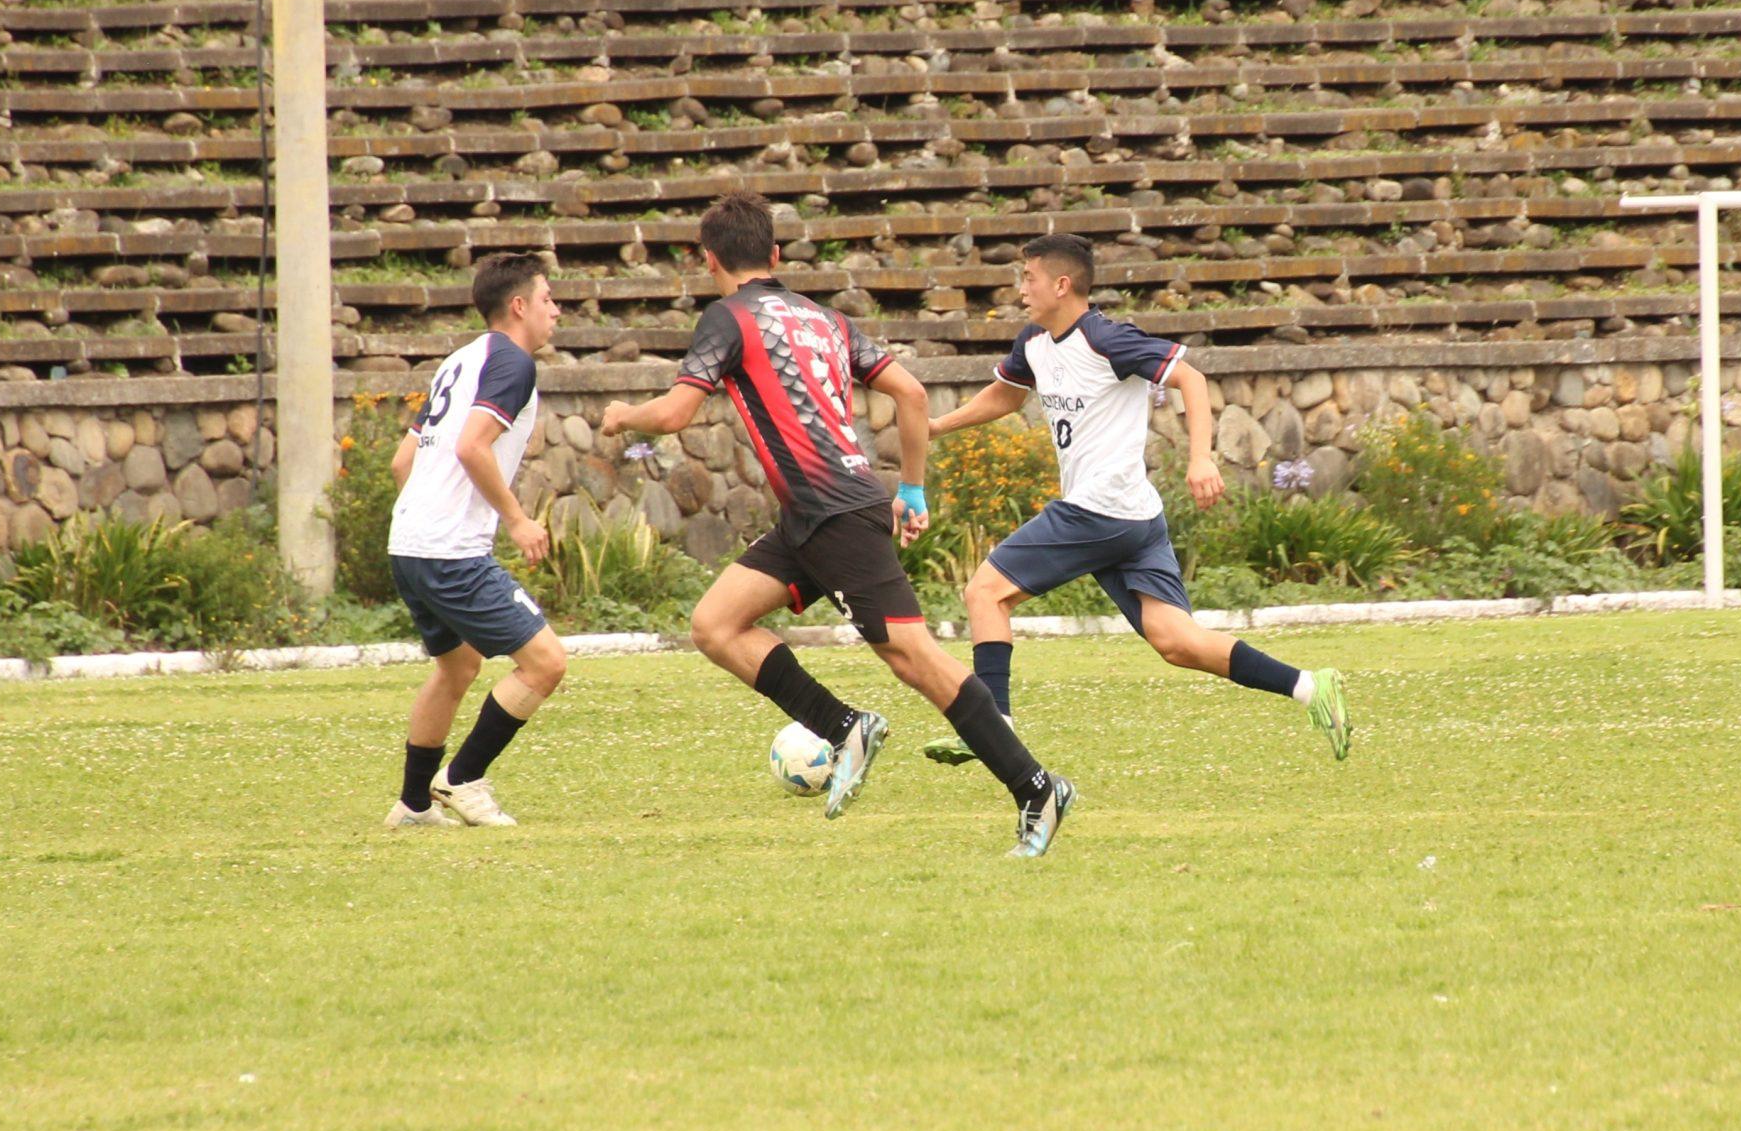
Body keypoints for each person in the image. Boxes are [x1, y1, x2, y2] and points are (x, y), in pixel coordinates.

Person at [600, 193, 1079, 858]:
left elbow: (677, 413)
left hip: (835, 515)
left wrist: (624, 415)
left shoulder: (728, 317)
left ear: (709, 261)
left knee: (915, 660)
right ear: (774, 254)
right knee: (715, 624)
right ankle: (844, 726)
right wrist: (910, 487)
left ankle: (1037, 788)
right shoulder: (826, 319)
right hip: (816, 514)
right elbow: (911, 392)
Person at [922, 233, 1352, 767]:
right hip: (1135, 517)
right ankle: (1311, 686)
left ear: (1062, 284)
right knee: (1177, 641)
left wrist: (1201, 458)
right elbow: (1007, 394)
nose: (1021, 290)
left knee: (985, 593)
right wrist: (938, 426)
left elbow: (1191, 378)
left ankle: (992, 731)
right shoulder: (1033, 340)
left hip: (1099, 508)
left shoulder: (1107, 338)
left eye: (1029, 278)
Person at [383, 252, 570, 830]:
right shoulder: (513, 362)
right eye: (547, 299)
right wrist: (517, 519)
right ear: (518, 306)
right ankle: (462, 779)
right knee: (545, 664)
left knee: (457, 667)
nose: (556, 311)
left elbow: (402, 462)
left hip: (408, 544)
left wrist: (429, 516)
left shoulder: (460, 360)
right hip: (449, 551)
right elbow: (471, 446)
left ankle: (413, 806)